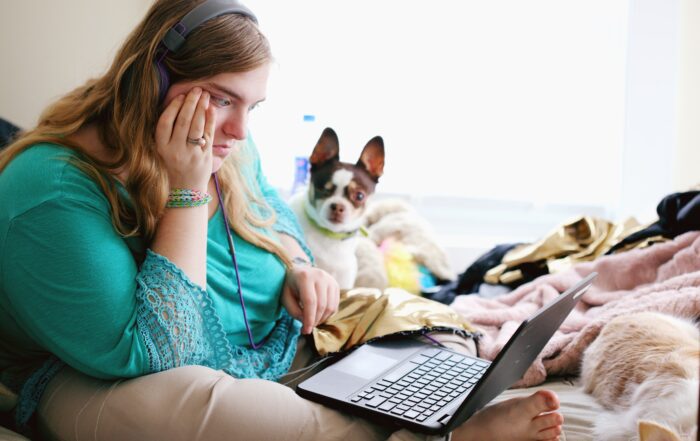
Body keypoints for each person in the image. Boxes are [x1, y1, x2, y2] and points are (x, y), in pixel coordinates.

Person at [0, 1, 564, 440]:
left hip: (279, 343)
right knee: (206, 414)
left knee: (426, 325)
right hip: (116, 379)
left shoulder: (226, 139)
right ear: (154, 81)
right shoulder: (49, 189)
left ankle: (426, 412)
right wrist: (188, 190)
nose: (241, 131)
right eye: (223, 99)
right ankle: (435, 430)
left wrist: (299, 266)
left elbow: (276, 217)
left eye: (254, 106)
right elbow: (161, 352)